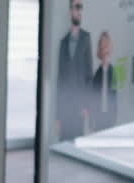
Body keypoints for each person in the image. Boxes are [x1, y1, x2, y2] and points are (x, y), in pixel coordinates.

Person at [56, 0, 93, 140]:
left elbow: (89, 75)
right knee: (63, 143)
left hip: (79, 105)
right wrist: (57, 116)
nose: (79, 11)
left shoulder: (86, 38)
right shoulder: (63, 43)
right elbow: (59, 80)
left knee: (76, 141)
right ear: (70, 10)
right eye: (77, 7)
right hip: (65, 106)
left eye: (81, 7)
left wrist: (86, 104)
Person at [90, 31, 119, 132]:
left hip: (110, 118)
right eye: (102, 46)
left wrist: (114, 118)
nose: (104, 49)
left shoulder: (114, 72)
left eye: (106, 45)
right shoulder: (96, 74)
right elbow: (93, 100)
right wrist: (91, 121)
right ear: (100, 50)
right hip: (98, 118)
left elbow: (115, 97)